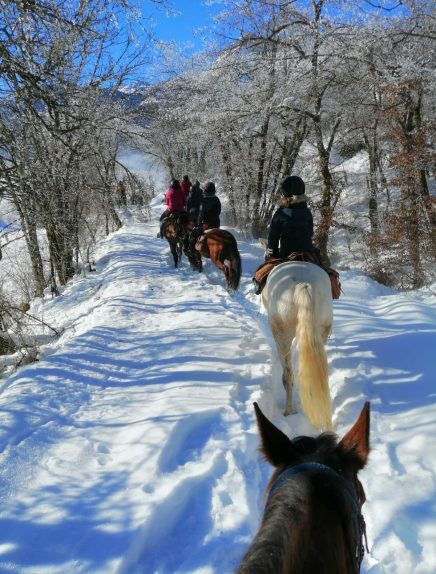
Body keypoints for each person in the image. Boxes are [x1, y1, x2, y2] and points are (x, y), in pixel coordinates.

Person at [265, 175, 316, 260]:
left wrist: (272, 254)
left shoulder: (280, 214)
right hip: (307, 252)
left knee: (262, 272)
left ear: (285, 192)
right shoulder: (307, 213)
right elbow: (310, 233)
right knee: (324, 266)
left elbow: (273, 237)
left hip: (286, 253)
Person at [188, 181, 221, 256]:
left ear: (205, 190)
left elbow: (201, 214)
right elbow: (218, 212)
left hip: (205, 225)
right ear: (214, 190)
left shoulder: (203, 201)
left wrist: (198, 224)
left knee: (192, 235)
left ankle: (192, 252)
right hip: (216, 224)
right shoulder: (217, 199)